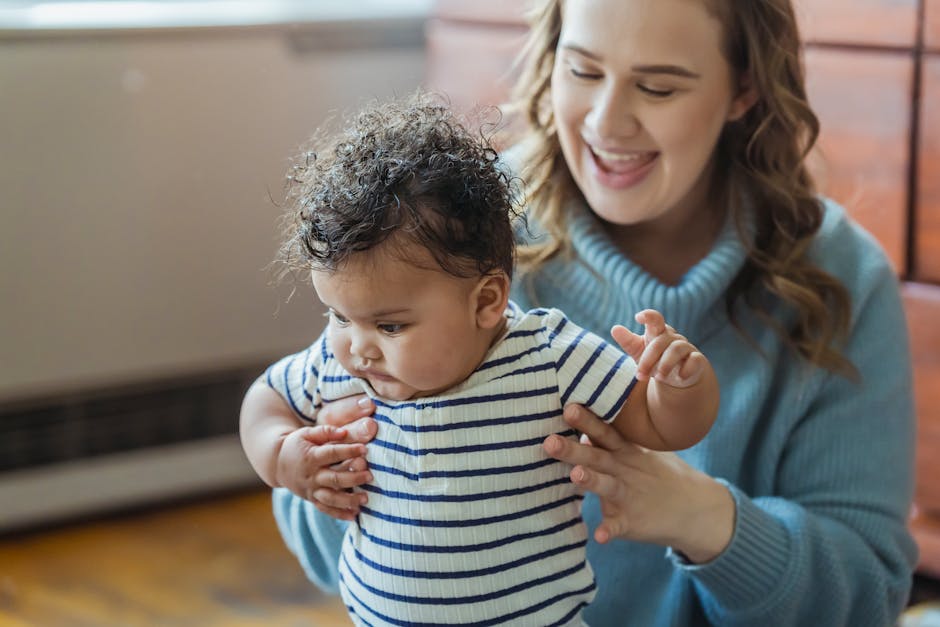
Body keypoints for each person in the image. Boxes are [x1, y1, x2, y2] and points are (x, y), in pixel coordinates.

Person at [269, 0, 919, 625]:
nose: (607, 123)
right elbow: (330, 556)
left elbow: (865, 596)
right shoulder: (452, 238)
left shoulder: (842, 278)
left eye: (659, 88)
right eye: (582, 71)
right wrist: (342, 466)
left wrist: (702, 516)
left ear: (744, 88)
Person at [240, 93, 720, 626]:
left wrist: (679, 388)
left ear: (487, 301)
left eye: (390, 325)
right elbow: (266, 398)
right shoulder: (341, 367)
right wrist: (281, 456)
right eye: (338, 316)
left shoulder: (548, 358)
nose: (358, 346)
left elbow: (659, 426)